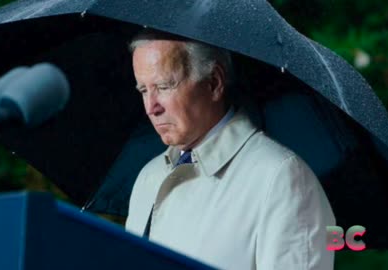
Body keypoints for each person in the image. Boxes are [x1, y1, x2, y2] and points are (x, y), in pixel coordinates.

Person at [125, 29, 335, 270]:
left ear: (214, 82)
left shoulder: (280, 178)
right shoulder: (148, 177)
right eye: (143, 90)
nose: (151, 107)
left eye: (164, 86)